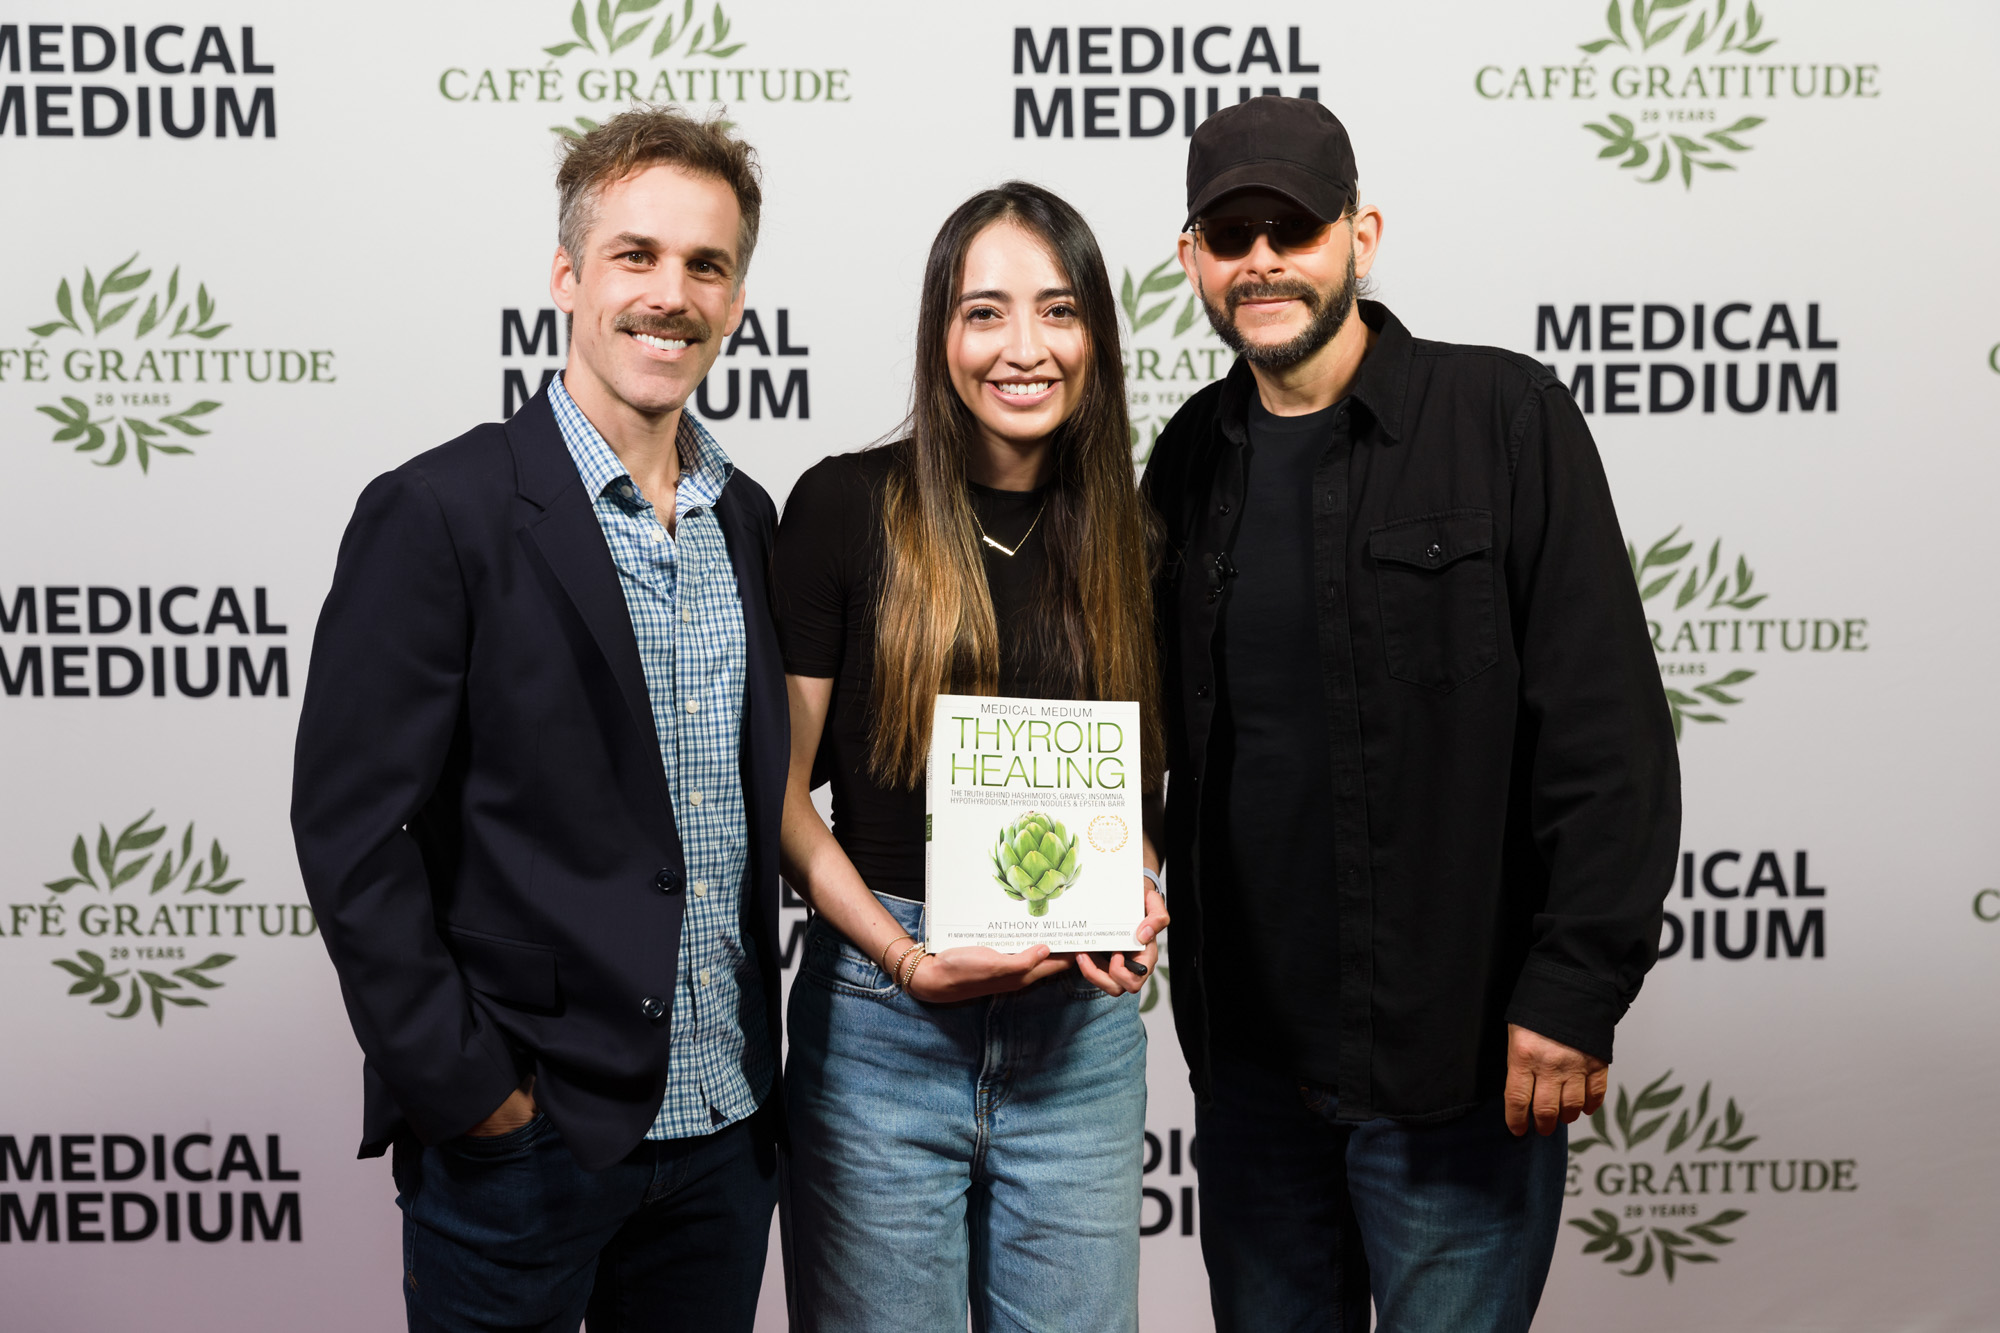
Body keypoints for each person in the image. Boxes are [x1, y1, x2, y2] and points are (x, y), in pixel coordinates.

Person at [1143, 97, 1682, 1332]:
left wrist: (1571, 990)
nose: (1261, 261)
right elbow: (1151, 733)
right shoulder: (1184, 459)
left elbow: (1605, 737)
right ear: (1191, 260)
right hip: (1251, 1085)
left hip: (1457, 1068)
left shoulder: (1503, 417)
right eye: (1229, 236)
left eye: (1292, 229)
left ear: (1360, 235)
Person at [291, 108, 787, 1332]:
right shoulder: (439, 510)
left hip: (724, 1131)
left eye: (705, 265)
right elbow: (351, 835)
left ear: (735, 302)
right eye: (635, 255)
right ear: (567, 275)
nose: (670, 294)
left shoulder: (748, 518)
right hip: (527, 1139)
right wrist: (474, 1095)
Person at [772, 181, 1171, 1333]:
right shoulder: (844, 506)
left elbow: (1142, 798)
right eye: (983, 312)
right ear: (940, 334)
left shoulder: (1138, 539)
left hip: (1077, 1037)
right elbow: (782, 798)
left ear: (1094, 335)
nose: (1023, 348)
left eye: (1057, 310)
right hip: (881, 1025)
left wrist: (1137, 888)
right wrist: (903, 958)